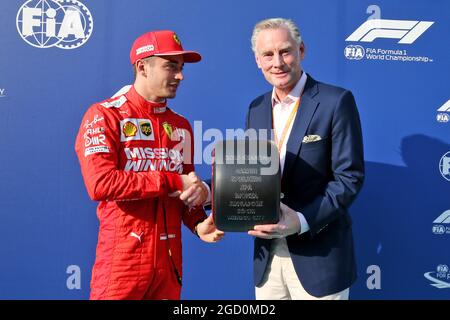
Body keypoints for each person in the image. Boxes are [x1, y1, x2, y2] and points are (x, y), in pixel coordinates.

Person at [74, 30, 224, 300]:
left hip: (169, 266)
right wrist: (172, 180)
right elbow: (100, 183)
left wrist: (198, 222)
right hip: (123, 264)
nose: (180, 76)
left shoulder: (181, 125)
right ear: (142, 67)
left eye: (180, 68)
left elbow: (185, 192)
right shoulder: (105, 115)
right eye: (171, 66)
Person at [246, 18, 365, 300]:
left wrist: (301, 220)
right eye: (268, 54)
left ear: (301, 50)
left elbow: (349, 178)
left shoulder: (336, 101)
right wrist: (212, 196)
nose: (277, 62)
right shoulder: (256, 107)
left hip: (320, 258)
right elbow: (250, 174)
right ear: (257, 60)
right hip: (268, 261)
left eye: (285, 51)